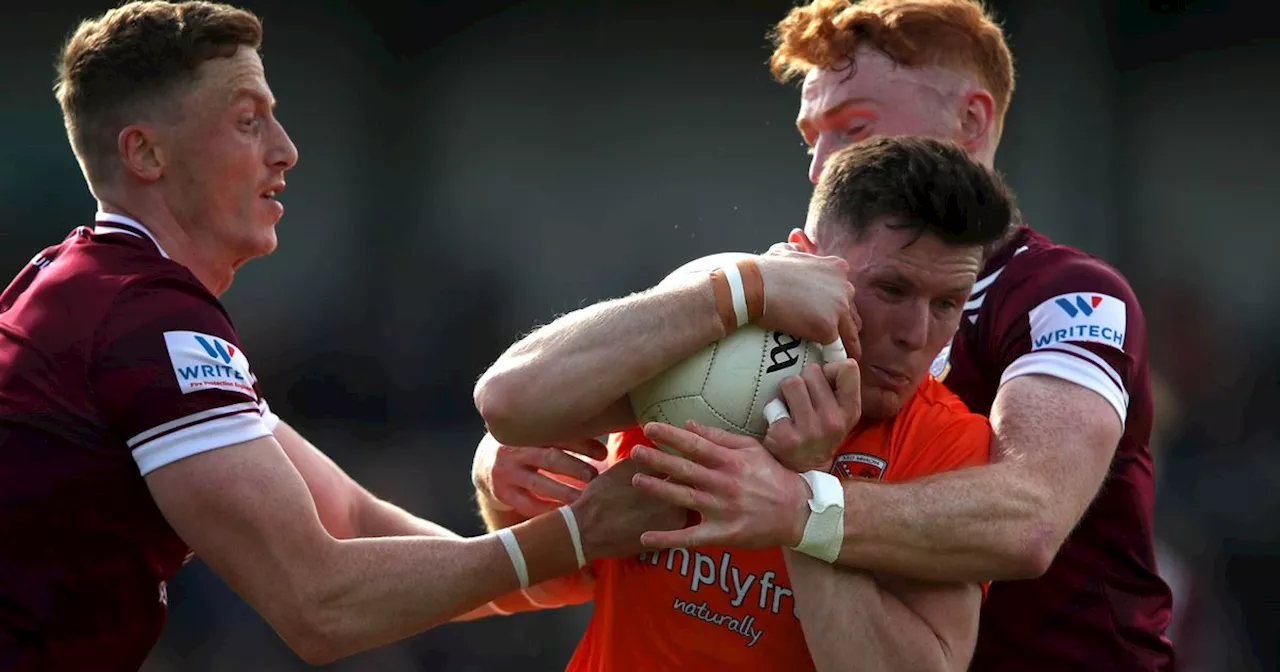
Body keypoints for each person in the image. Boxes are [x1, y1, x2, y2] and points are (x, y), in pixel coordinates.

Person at [476, 1, 1176, 669]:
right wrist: (504, 465)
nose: (819, 166)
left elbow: (1027, 519)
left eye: (853, 128)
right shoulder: (766, 302)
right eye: (814, 139)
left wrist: (802, 504)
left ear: (970, 121)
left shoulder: (1069, 298)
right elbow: (548, 454)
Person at [0, 3, 681, 669]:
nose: (285, 150)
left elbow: (353, 523)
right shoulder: (147, 319)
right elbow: (320, 605)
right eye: (247, 121)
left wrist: (560, 541)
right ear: (145, 152)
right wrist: (575, 536)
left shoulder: (88, 286)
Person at [472, 136, 1018, 670]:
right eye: (891, 290)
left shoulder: (950, 443)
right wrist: (739, 288)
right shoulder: (698, 347)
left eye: (948, 303)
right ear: (806, 262)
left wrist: (807, 494)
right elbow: (506, 405)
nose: (917, 334)